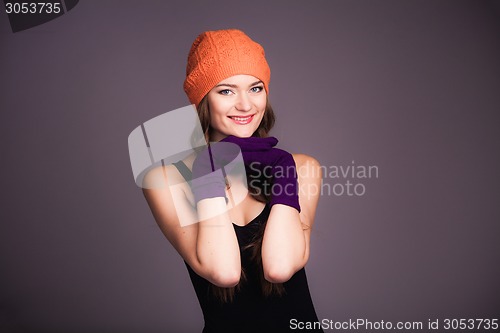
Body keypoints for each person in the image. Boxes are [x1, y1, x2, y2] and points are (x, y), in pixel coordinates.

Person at [142, 29, 323, 332]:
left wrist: (284, 171)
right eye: (226, 91)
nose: (245, 105)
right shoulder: (165, 179)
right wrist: (208, 169)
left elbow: (279, 267)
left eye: (255, 88)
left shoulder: (299, 167)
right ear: (202, 100)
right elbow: (224, 271)